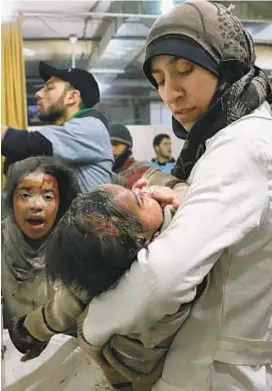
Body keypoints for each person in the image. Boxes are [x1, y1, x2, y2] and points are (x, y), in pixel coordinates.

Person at [72, 1, 271, 390]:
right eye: (159, 79)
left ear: (226, 66)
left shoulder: (241, 145)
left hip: (211, 370)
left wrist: (92, 325)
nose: (171, 93)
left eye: (185, 70)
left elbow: (164, 277)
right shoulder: (225, 140)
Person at [8, 182, 188, 391]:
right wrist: (177, 191)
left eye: (48, 196)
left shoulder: (157, 260)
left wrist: (173, 190)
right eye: (139, 199)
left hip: (141, 366)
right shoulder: (155, 249)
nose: (144, 190)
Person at [1, 62, 113, 191]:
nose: (38, 94)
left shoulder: (91, 127)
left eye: (49, 87)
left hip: (88, 211)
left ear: (72, 97)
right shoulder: (64, 132)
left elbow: (25, 144)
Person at [2, 156, 80, 328]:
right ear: (10, 201)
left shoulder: (77, 246)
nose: (36, 205)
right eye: (25, 195)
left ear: (61, 204)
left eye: (47, 196)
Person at [109, 123, 151, 189]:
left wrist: (103, 174)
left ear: (128, 147)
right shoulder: (107, 167)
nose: (111, 149)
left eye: (115, 144)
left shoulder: (142, 167)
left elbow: (134, 185)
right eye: (108, 145)